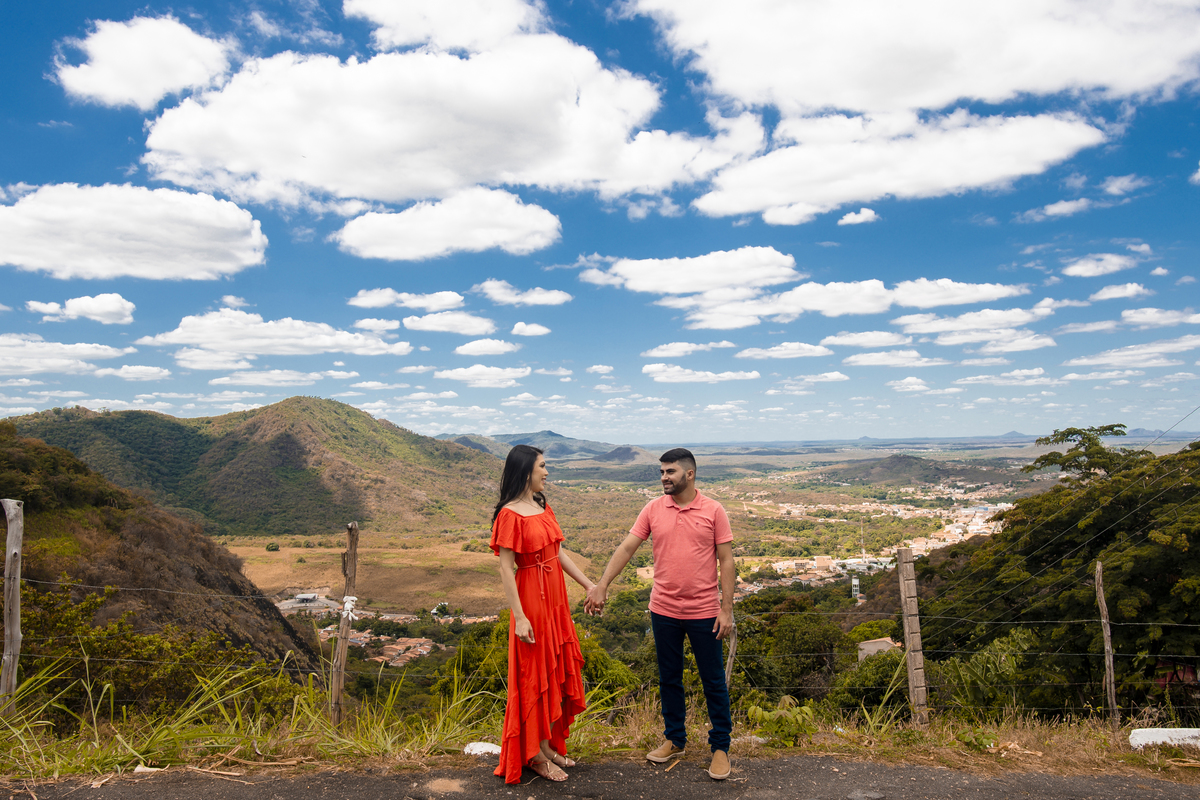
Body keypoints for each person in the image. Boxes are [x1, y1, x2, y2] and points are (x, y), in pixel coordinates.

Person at [586, 448, 735, 780]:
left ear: (689, 474)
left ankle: (720, 748)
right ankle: (674, 739)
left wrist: (726, 610)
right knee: (670, 678)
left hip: (704, 612)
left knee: (713, 682)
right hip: (663, 610)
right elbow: (627, 546)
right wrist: (603, 584)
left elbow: (726, 560)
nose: (664, 478)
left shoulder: (713, 510)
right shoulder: (653, 508)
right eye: (662, 473)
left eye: (670, 472)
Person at [490, 444, 595, 783]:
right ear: (525, 471)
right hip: (531, 600)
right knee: (534, 672)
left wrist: (588, 584)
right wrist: (519, 617)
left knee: (554, 670)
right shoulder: (509, 514)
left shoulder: (542, 506)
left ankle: (546, 744)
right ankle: (532, 754)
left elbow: (558, 554)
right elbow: (507, 569)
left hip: (555, 599)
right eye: (542, 467)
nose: (547, 472)